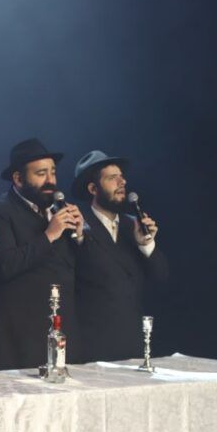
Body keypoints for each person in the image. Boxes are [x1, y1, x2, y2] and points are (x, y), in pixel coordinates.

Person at [0, 138, 85, 370]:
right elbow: (3, 267)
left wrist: (79, 236)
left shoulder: (60, 210)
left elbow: (79, 268)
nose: (51, 181)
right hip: (18, 335)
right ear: (18, 179)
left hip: (62, 329)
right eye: (41, 173)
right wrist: (49, 235)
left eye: (53, 172)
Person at [72, 150, 168, 362]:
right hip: (91, 344)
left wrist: (146, 244)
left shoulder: (133, 225)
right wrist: (79, 239)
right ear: (93, 188)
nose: (122, 182)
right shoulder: (78, 223)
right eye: (112, 178)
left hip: (132, 341)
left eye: (122, 176)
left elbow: (161, 276)